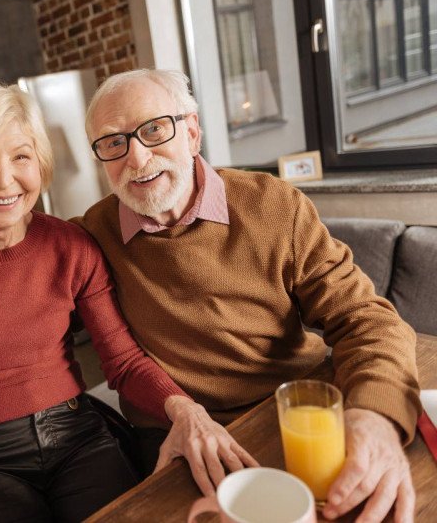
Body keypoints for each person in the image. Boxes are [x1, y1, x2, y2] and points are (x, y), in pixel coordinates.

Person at [74, 68, 420, 522]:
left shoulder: (273, 205)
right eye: (113, 142)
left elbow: (365, 318)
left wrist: (376, 414)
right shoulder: (92, 234)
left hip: (290, 415)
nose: (136, 158)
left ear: (192, 131)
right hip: (174, 436)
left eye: (155, 129)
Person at [0, 81, 257, 522]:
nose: (4, 179)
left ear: (41, 164)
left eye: (21, 156)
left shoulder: (71, 244)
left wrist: (184, 408)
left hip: (76, 435)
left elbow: (123, 360)